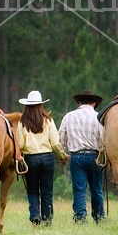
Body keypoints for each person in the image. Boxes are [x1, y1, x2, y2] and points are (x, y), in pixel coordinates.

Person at [17, 90, 69, 226]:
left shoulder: (23, 123)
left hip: (30, 159)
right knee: (47, 191)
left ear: (27, 106)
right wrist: (62, 156)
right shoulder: (48, 120)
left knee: (33, 190)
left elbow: (20, 144)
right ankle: (47, 219)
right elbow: (55, 142)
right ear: (41, 105)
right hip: (47, 158)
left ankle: (35, 215)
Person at [59, 90, 105, 224]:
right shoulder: (99, 117)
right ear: (94, 103)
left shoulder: (69, 116)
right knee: (97, 189)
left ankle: (80, 217)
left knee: (79, 190)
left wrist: (62, 155)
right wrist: (103, 153)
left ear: (79, 103)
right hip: (95, 156)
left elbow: (61, 138)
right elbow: (103, 139)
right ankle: (99, 217)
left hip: (77, 157)